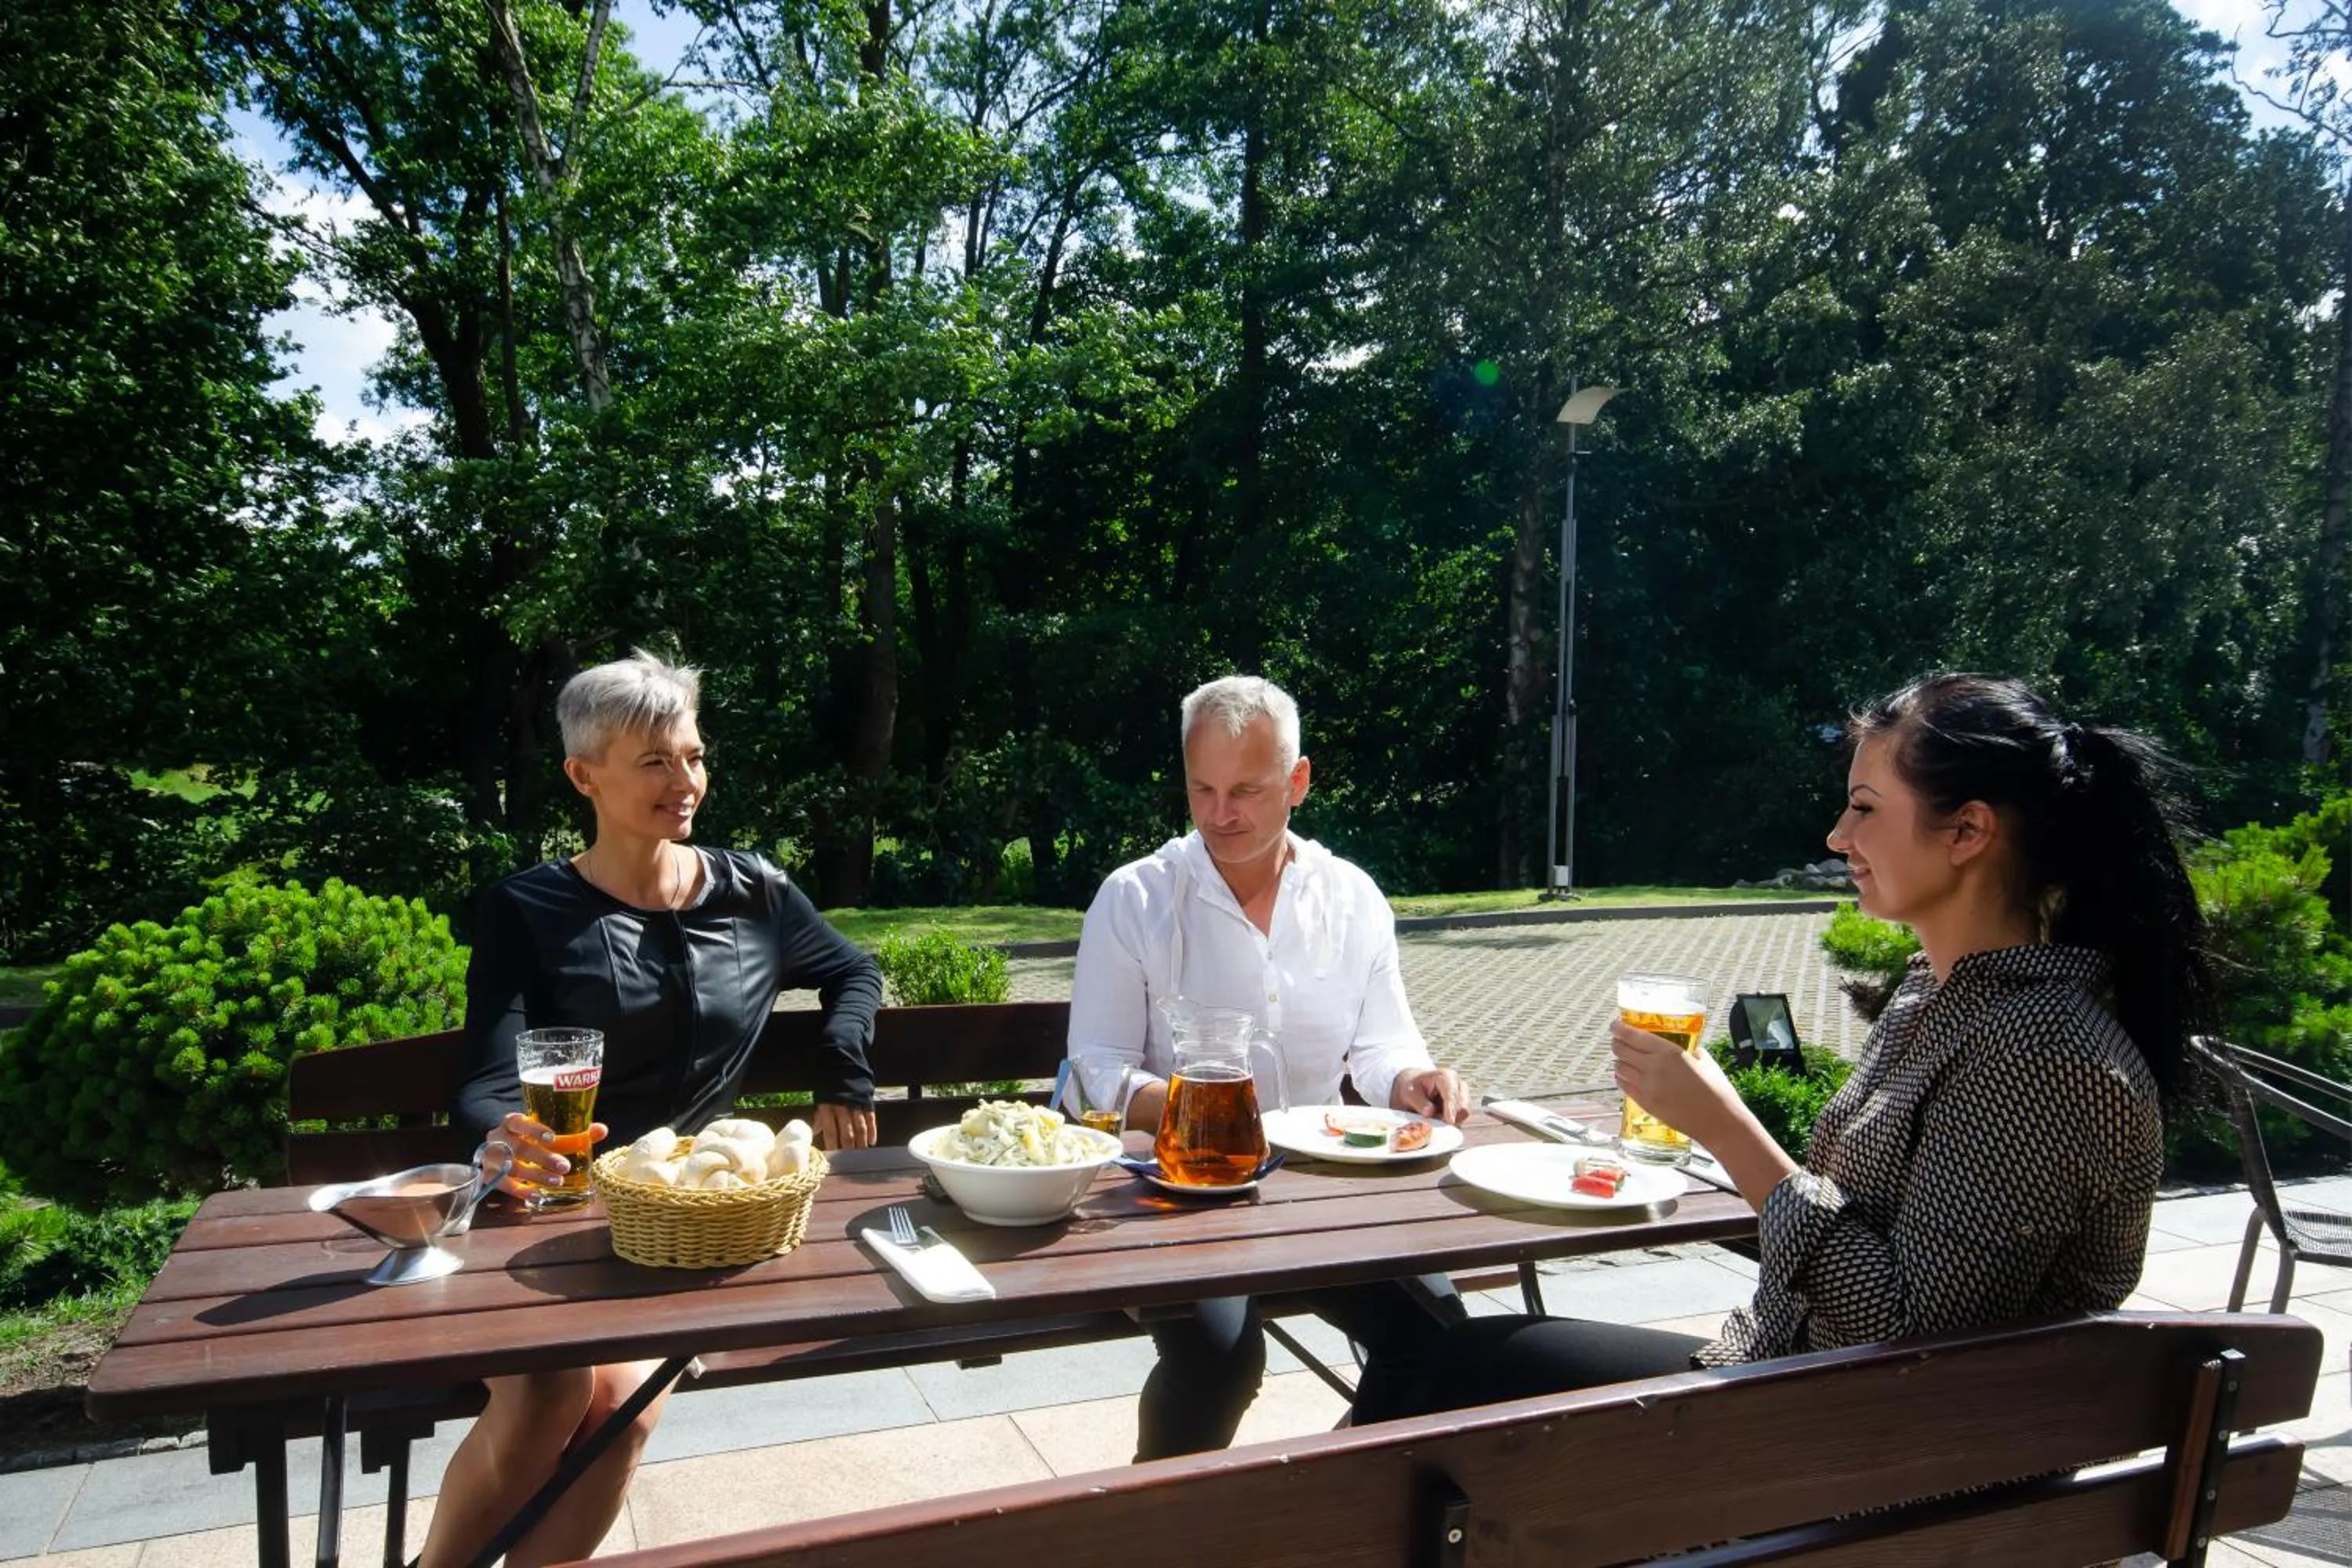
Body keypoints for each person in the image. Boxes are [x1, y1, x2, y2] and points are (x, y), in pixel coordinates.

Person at [1352, 672, 2216, 1424]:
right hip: (1806, 1394)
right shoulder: (1939, 993)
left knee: (1452, 1373)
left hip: (1851, 1455)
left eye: (1867, 809)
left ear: (1968, 831)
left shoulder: (2043, 1054)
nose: (1840, 836)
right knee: (1443, 1361)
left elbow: (1905, 1334)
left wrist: (1729, 1127)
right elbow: (1853, 1219)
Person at [427, 651, 884, 1568]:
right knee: (552, 1394)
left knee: (621, 1409)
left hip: (685, 1219)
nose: (685, 782)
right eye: (655, 762)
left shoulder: (753, 890)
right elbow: (484, 1077)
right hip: (551, 1211)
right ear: (582, 775)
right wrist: (503, 1133)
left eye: (693, 755)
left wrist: (843, 1064)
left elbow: (852, 968)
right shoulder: (528, 908)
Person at [1068, 674, 1472, 1459]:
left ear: (1298, 780)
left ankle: (1345, 1497)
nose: (1221, 813)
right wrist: (1197, 1109)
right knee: (1221, 1357)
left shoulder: (1352, 895)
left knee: (1438, 1337)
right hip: (1182, 1192)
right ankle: (1163, 1525)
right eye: (1202, 788)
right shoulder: (1136, 897)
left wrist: (1412, 1081)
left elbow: (1385, 1044)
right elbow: (1092, 1072)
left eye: (1246, 789)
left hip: (1320, 1184)